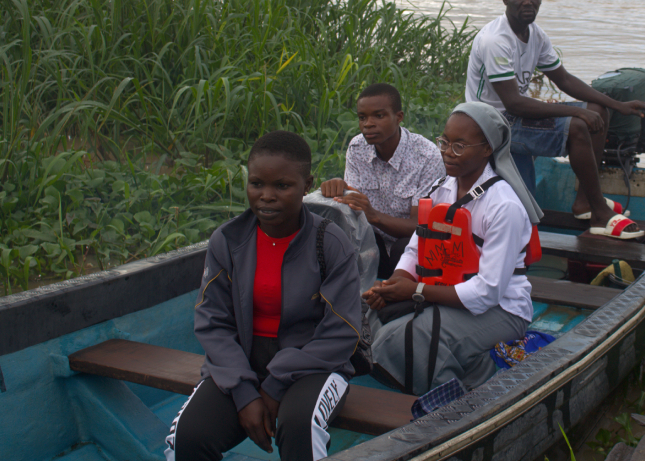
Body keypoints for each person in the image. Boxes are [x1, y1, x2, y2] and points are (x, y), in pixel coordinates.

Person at [166, 131, 362, 461]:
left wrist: (273, 386)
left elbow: (342, 331)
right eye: (257, 184)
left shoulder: (330, 243)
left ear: (306, 184)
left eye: (282, 186)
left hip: (314, 364)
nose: (266, 196)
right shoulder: (228, 241)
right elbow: (213, 322)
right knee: (186, 437)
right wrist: (244, 393)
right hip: (242, 361)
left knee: (300, 427)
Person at [364, 102, 542, 395]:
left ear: (487, 149)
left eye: (459, 146)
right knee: (370, 312)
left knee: (411, 337)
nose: (447, 152)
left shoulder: (503, 207)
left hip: (501, 309)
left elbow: (488, 292)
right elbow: (416, 246)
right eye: (444, 142)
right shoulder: (443, 188)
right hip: (445, 290)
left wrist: (416, 292)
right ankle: (467, 361)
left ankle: (464, 386)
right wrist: (399, 279)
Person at [465, 0, 645, 240]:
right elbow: (514, 103)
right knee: (578, 124)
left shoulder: (535, 35)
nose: (527, 1)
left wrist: (617, 105)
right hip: (490, 124)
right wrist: (576, 111)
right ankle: (600, 214)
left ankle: (586, 202)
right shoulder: (497, 40)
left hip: (511, 117)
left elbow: (563, 79)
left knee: (597, 110)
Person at [320, 83, 445, 279]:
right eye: (362, 117)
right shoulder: (357, 148)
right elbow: (352, 206)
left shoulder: (427, 156)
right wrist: (338, 189)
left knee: (403, 246)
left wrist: (374, 215)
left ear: (399, 117)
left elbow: (421, 227)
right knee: (353, 239)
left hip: (410, 246)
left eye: (379, 116)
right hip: (372, 240)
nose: (368, 124)